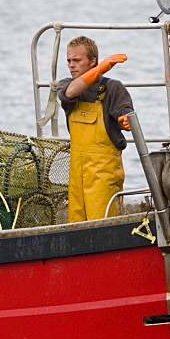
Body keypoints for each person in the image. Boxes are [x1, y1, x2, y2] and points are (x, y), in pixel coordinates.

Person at [56, 36, 134, 223]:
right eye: (69, 61)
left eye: (77, 60)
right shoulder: (67, 85)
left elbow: (127, 114)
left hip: (103, 170)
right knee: (75, 222)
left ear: (92, 61)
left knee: (103, 222)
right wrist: (101, 68)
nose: (71, 65)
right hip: (76, 170)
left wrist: (125, 121)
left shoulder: (112, 88)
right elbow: (69, 94)